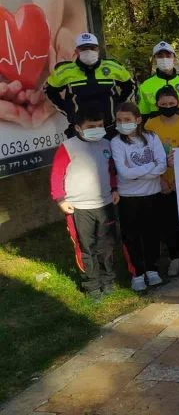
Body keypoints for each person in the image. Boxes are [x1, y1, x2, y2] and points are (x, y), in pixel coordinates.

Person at [50, 107, 119, 300]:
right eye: (91, 126)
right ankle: (92, 285)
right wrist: (60, 199)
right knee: (85, 246)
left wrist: (114, 189)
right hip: (78, 208)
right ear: (78, 128)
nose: (97, 129)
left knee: (106, 245)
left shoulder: (107, 144)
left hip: (104, 204)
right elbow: (57, 175)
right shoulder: (68, 147)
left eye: (100, 125)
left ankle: (107, 280)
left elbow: (111, 170)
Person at [111, 103, 168, 292]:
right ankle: (137, 272)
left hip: (152, 194)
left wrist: (138, 172)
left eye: (127, 120)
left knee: (152, 233)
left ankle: (151, 268)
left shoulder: (151, 137)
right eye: (119, 120)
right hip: (129, 197)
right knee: (131, 236)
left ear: (138, 119)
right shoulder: (116, 143)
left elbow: (162, 165)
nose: (122, 123)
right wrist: (149, 168)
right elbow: (124, 173)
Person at [144, 85, 179, 277]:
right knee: (168, 221)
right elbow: (147, 155)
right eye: (163, 104)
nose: (168, 106)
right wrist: (161, 180)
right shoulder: (150, 125)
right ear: (157, 105)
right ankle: (174, 255)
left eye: (171, 103)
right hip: (161, 182)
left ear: (178, 103)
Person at [45, 32, 135, 137]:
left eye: (92, 48)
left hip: (110, 129)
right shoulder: (64, 71)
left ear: (98, 50)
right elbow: (49, 91)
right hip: (81, 130)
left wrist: (119, 107)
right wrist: (68, 110)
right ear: (76, 52)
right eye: (83, 49)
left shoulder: (113, 67)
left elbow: (130, 86)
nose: (88, 51)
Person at [138, 41, 179, 130]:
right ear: (154, 59)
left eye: (168, 55)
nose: (164, 59)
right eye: (160, 56)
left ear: (174, 58)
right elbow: (143, 115)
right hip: (157, 134)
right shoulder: (145, 85)